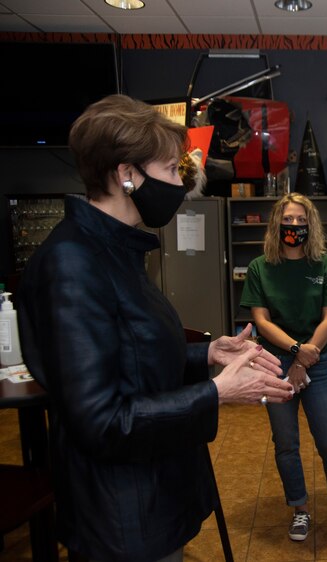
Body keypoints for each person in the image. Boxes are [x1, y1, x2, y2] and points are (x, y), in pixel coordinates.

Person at [15, 94, 294, 562]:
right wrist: (217, 391)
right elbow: (103, 420)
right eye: (169, 169)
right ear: (126, 174)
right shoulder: (72, 264)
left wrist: (208, 355)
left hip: (154, 492)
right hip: (122, 515)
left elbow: (128, 356)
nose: (179, 183)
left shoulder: (115, 250)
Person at [240, 193, 327, 542]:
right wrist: (296, 350)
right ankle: (299, 508)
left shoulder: (325, 265)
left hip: (319, 363)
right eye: (288, 219)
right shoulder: (259, 268)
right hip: (275, 363)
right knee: (286, 443)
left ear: (311, 225)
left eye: (301, 220)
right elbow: (261, 321)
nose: (295, 226)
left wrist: (303, 358)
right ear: (276, 223)